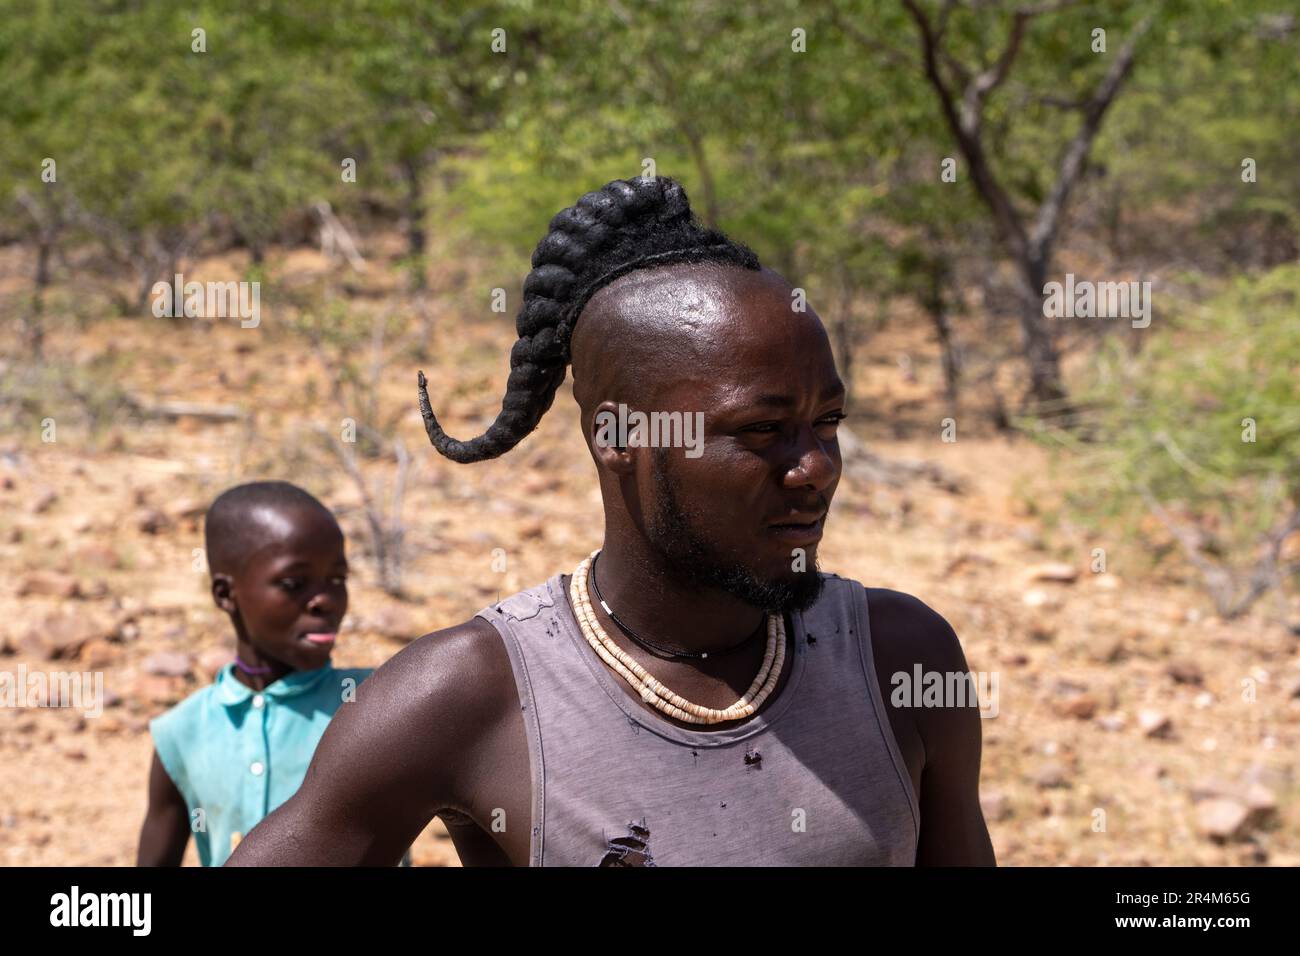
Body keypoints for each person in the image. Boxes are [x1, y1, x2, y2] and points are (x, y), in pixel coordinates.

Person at [228, 176, 995, 866]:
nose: (816, 466)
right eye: (762, 431)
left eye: (826, 421)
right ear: (619, 438)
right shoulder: (473, 697)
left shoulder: (899, 660)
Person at [136, 480, 381, 866]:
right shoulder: (181, 733)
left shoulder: (377, 704)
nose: (325, 600)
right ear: (225, 594)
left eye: (337, 579)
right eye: (293, 583)